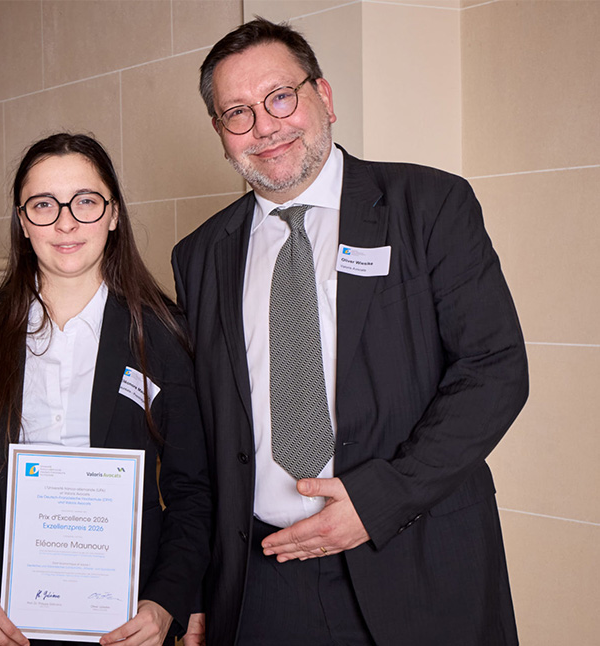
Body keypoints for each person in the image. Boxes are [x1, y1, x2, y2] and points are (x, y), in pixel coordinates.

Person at [171, 18, 528, 646]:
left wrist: (377, 501)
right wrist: (197, 589)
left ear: (324, 97)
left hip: (416, 560)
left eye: (281, 97)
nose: (266, 126)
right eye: (238, 112)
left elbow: (495, 369)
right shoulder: (199, 257)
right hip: (262, 584)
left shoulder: (430, 205)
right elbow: (201, 437)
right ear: (221, 134)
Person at [0, 133, 211, 646]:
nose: (66, 222)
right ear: (22, 222)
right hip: (0, 620)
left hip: (125, 622)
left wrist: (167, 603)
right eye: (43, 205)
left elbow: (192, 491)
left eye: (85, 202)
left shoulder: (163, 334)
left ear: (114, 214)